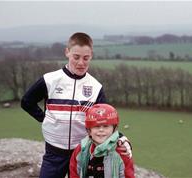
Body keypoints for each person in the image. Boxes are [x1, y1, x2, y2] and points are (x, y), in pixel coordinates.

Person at [21, 32, 132, 178]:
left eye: (86, 58)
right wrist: (45, 118)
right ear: (67, 52)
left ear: (91, 55)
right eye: (76, 57)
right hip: (54, 153)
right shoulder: (50, 80)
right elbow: (26, 102)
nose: (81, 63)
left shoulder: (95, 86)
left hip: (83, 153)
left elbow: (105, 120)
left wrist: (122, 139)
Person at [70, 103, 135, 178]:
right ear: (89, 130)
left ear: (114, 129)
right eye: (96, 126)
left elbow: (128, 175)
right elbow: (74, 174)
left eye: (106, 126)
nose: (101, 130)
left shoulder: (121, 152)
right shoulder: (81, 150)